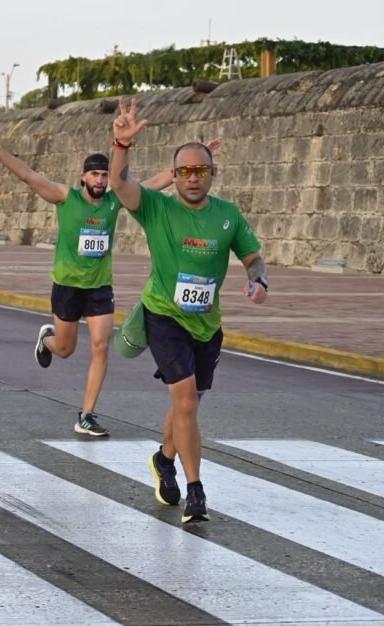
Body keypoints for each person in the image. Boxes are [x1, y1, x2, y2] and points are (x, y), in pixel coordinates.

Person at [0, 116, 187, 437]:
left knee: (101, 346)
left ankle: (86, 415)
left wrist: (182, 169)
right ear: (83, 177)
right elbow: (28, 175)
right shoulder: (66, 197)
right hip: (67, 286)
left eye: (104, 174)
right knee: (65, 349)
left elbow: (152, 184)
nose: (100, 180)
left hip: (99, 287)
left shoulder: (115, 200)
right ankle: (47, 341)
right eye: (94, 174)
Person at [108, 97, 267, 524]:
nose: (193, 178)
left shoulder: (228, 215)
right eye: (184, 171)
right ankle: (195, 491)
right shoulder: (157, 208)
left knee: (188, 404)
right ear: (174, 175)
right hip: (164, 315)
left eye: (201, 170)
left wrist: (259, 280)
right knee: (186, 402)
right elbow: (119, 184)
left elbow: (253, 257)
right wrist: (121, 144)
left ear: (214, 173)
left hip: (207, 324)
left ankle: (163, 458)